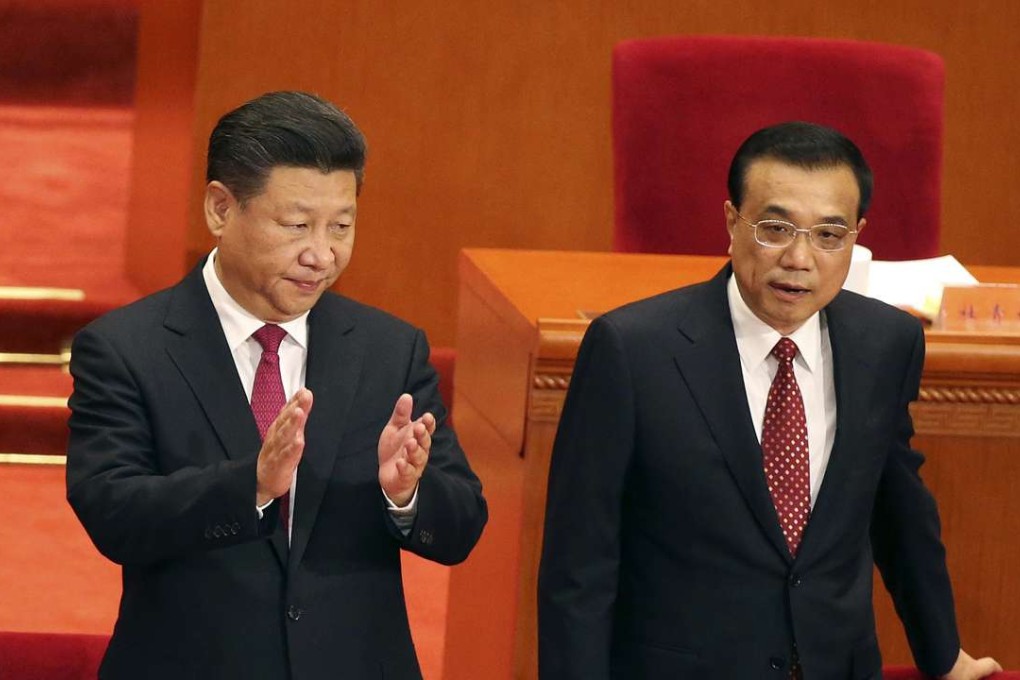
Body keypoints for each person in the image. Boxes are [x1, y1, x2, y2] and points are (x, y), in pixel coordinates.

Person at [537, 122, 1000, 679]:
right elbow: (577, 569)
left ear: (857, 236)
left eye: (830, 236)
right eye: (776, 229)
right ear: (733, 222)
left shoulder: (887, 343)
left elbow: (897, 507)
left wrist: (943, 654)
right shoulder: (633, 352)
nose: (800, 258)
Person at [66, 91, 487, 679]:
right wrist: (252, 486)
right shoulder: (127, 349)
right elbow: (114, 514)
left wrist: (404, 495)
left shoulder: (389, 349)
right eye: (296, 225)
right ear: (220, 208)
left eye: (342, 225)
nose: (323, 253)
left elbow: (463, 525)